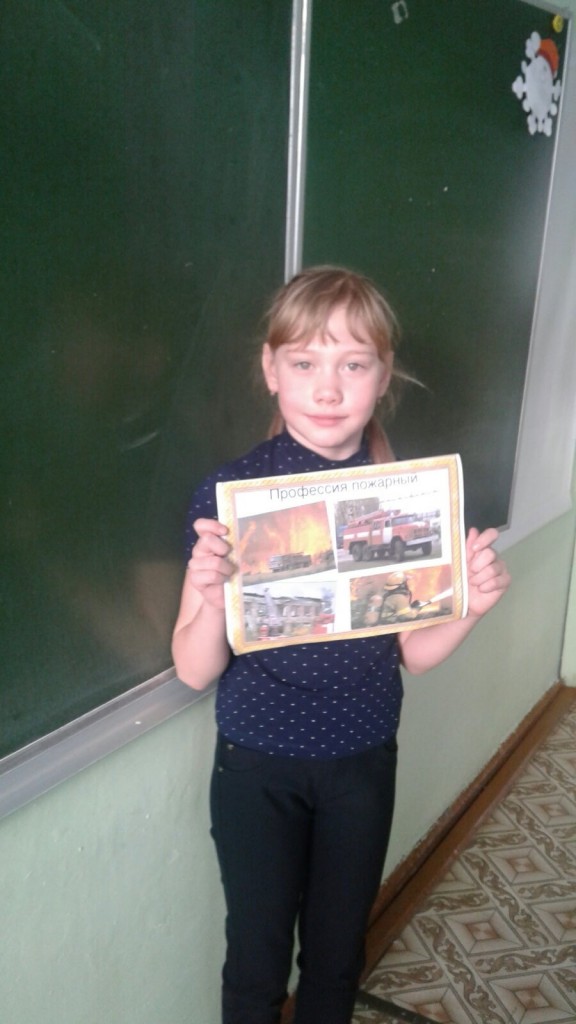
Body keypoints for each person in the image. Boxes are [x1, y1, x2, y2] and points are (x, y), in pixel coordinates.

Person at [171, 266, 510, 1024]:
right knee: (255, 956)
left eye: (353, 365)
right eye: (304, 363)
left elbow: (414, 653)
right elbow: (194, 669)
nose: (327, 389)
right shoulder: (229, 496)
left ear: (383, 376)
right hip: (257, 767)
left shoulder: (403, 496)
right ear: (270, 369)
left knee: (336, 956)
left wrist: (471, 607)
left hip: (361, 762)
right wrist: (214, 593)